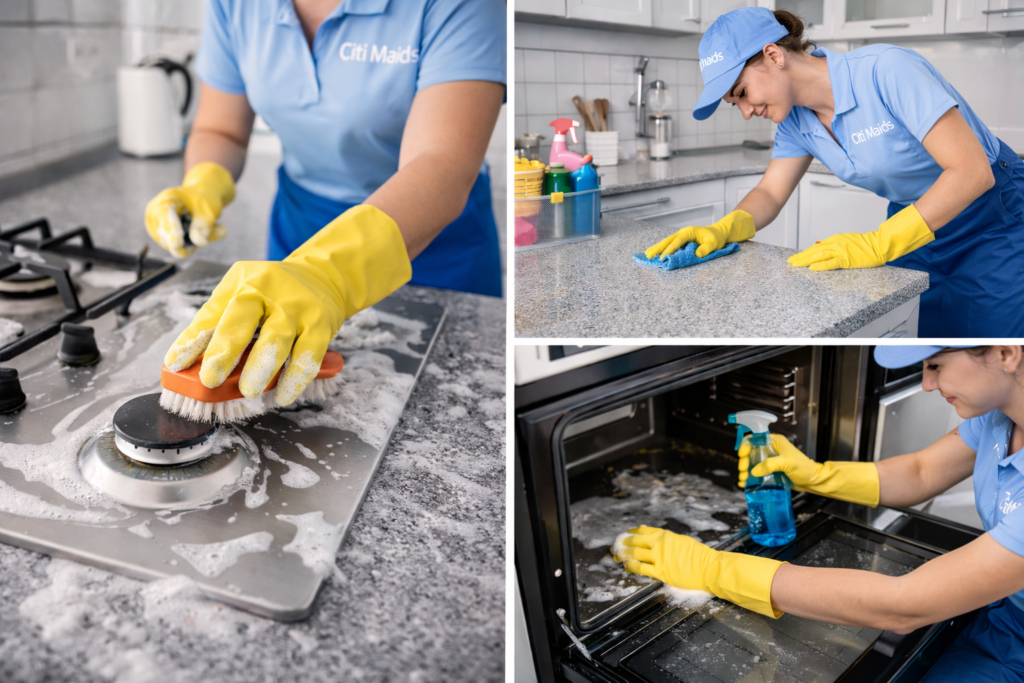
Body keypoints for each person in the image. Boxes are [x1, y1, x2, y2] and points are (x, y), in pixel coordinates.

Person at [146, 0, 505, 404]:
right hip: (299, 237)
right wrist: (203, 181)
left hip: (433, 240)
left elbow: (442, 163)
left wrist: (326, 274)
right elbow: (220, 128)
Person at [615, 345, 1024, 681]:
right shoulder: (997, 414)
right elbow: (922, 472)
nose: (927, 383)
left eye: (935, 366)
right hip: (1000, 614)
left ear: (1006, 354)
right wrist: (815, 475)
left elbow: (903, 605)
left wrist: (714, 570)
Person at [643, 7, 1024, 338]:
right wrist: (725, 228)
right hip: (915, 224)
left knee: (987, 345)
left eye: (741, 93)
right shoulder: (793, 122)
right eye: (734, 103)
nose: (746, 111)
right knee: (912, 336)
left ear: (773, 55)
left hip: (992, 217)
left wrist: (878, 244)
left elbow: (972, 173)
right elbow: (771, 193)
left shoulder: (885, 70)